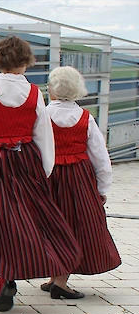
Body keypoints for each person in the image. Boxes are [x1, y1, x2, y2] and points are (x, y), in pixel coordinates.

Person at [0, 35, 81, 312]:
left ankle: (4, 278)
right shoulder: (34, 92)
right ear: (25, 61)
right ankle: (17, 274)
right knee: (26, 221)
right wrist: (45, 171)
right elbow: (43, 135)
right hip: (26, 161)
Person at [42, 66, 120, 298]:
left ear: (52, 90)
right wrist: (102, 188)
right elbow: (100, 157)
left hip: (49, 177)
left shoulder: (43, 116)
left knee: (52, 224)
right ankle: (60, 281)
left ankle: (56, 276)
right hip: (79, 179)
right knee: (77, 224)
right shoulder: (86, 118)